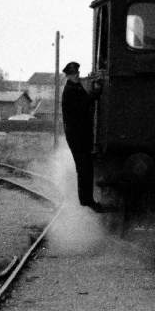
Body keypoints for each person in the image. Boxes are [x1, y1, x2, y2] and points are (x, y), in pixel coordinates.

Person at [60, 61, 103, 211]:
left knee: (86, 167)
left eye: (78, 73)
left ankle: (87, 199)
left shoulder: (76, 87)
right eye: (76, 74)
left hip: (80, 134)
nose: (78, 76)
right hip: (76, 135)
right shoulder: (70, 90)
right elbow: (85, 103)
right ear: (70, 75)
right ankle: (86, 200)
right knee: (84, 167)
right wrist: (97, 90)